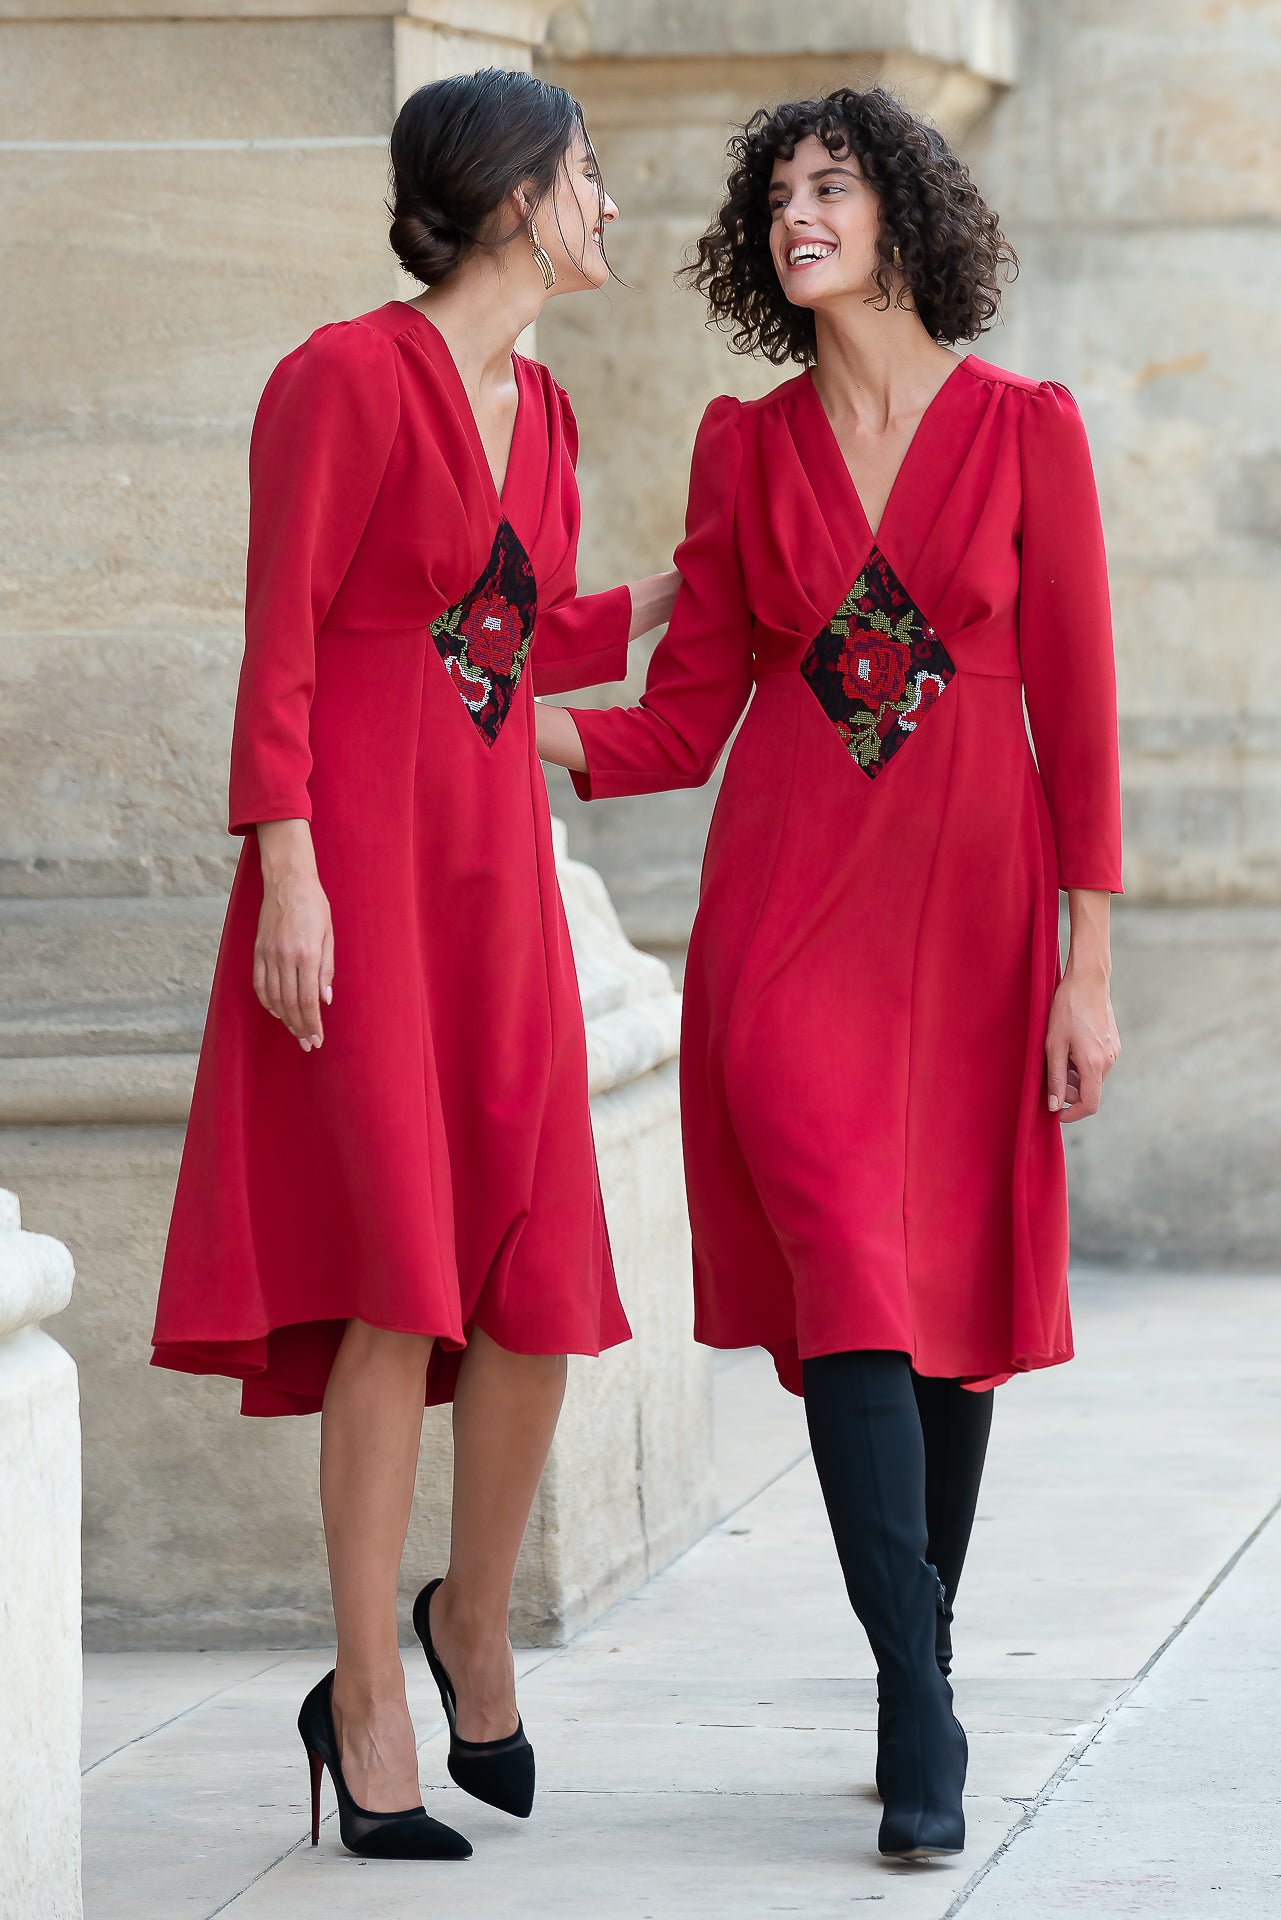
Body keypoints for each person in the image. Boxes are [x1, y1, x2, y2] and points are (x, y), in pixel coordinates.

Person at [536, 85, 1123, 1862]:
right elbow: (682, 719)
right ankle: (920, 1697)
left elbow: (1082, 716)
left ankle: (906, 1658)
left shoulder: (1024, 429)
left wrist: (1086, 965)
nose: (798, 214)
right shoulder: (744, 446)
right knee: (856, 1283)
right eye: (777, 194)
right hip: (786, 925)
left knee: (944, 1311)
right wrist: (489, 717)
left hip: (978, 928)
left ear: (902, 218)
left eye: (831, 186)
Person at [151, 68, 679, 1861]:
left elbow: (498, 641)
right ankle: (366, 1693)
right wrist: (285, 871)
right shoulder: (343, 377)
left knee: (532, 1279)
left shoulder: (546, 409)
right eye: (590, 175)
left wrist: (688, 596)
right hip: (360, 875)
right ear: (519, 196)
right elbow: (287, 637)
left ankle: (473, 1618)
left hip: (495, 884)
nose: (611, 205)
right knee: (396, 1279)